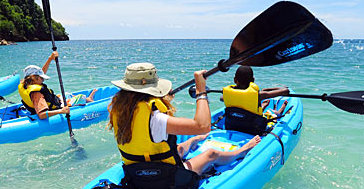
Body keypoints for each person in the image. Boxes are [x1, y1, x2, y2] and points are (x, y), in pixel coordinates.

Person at [109, 62, 260, 178]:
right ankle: (241, 151)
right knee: (211, 154)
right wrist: (201, 90)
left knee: (180, 147)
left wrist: (161, 99)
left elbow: (148, 123)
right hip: (165, 179)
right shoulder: (157, 118)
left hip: (136, 174)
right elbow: (203, 126)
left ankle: (193, 141)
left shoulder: (119, 111)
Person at [18, 51, 96, 120]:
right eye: (42, 78)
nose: (43, 80)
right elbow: (41, 115)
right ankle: (90, 100)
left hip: (55, 102)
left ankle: (87, 99)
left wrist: (50, 59)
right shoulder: (37, 94)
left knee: (66, 94)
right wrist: (61, 111)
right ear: (33, 77)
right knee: (81, 97)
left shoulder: (26, 83)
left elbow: (41, 73)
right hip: (56, 108)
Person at [219, 65, 289, 134]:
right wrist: (267, 90)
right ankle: (278, 111)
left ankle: (263, 106)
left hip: (232, 126)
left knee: (247, 111)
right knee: (270, 113)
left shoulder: (225, 95)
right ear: (253, 80)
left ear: (234, 80)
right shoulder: (259, 95)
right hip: (253, 130)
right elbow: (286, 91)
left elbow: (221, 99)